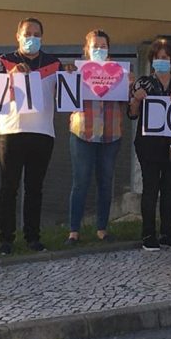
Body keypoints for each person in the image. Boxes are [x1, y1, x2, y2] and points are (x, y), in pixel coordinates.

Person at [0, 17, 61, 255]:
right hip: (11, 131)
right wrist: (12, 77)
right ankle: (5, 240)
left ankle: (33, 237)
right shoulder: (4, 61)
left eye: (36, 34)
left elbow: (66, 95)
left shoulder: (54, 63)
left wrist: (72, 75)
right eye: (27, 33)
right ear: (18, 36)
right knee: (9, 188)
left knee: (35, 188)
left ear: (42, 37)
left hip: (42, 133)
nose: (31, 38)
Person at [128, 38, 171, 251]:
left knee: (170, 189)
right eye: (157, 58)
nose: (160, 61)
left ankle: (167, 232)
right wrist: (136, 100)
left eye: (164, 58)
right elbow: (132, 114)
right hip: (148, 145)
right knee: (150, 189)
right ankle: (148, 234)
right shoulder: (143, 83)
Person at [65, 29, 126, 247]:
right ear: (86, 49)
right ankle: (74, 231)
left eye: (103, 46)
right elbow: (65, 98)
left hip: (110, 134)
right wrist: (70, 78)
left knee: (105, 183)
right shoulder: (76, 72)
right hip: (83, 132)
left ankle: (102, 228)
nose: (99, 50)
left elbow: (127, 104)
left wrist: (128, 84)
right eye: (95, 46)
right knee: (80, 182)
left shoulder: (119, 73)